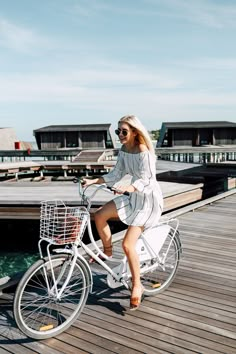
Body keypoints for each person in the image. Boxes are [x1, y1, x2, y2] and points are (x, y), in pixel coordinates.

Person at [82, 114, 163, 310]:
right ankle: (107, 251)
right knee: (100, 215)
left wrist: (129, 188)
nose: (119, 134)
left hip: (147, 203)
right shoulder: (124, 149)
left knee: (128, 245)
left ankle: (137, 286)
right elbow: (116, 174)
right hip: (132, 197)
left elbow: (148, 181)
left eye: (123, 131)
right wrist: (94, 181)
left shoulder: (143, 150)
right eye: (118, 131)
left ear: (135, 132)